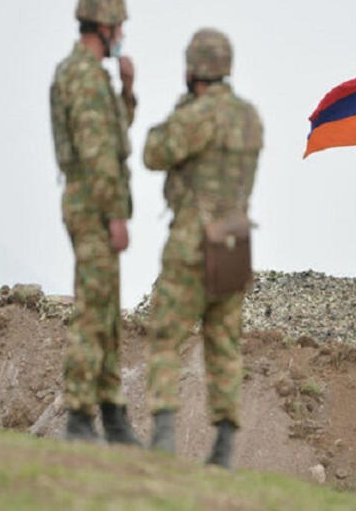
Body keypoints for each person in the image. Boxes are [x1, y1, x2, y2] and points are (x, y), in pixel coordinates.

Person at [142, 28, 263, 468]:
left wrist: (179, 112)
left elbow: (154, 153)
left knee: (165, 333)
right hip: (234, 241)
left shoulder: (198, 115)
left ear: (193, 68)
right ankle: (224, 447)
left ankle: (163, 436)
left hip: (194, 239)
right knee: (225, 343)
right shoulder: (250, 117)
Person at [49, 0, 139, 446]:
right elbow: (96, 152)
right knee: (92, 309)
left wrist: (127, 90)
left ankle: (113, 415)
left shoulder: (93, 76)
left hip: (93, 202)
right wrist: (114, 215)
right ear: (103, 25)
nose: (121, 33)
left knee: (105, 309)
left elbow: (114, 134)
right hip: (93, 205)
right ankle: (81, 417)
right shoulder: (83, 77)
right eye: (118, 25)